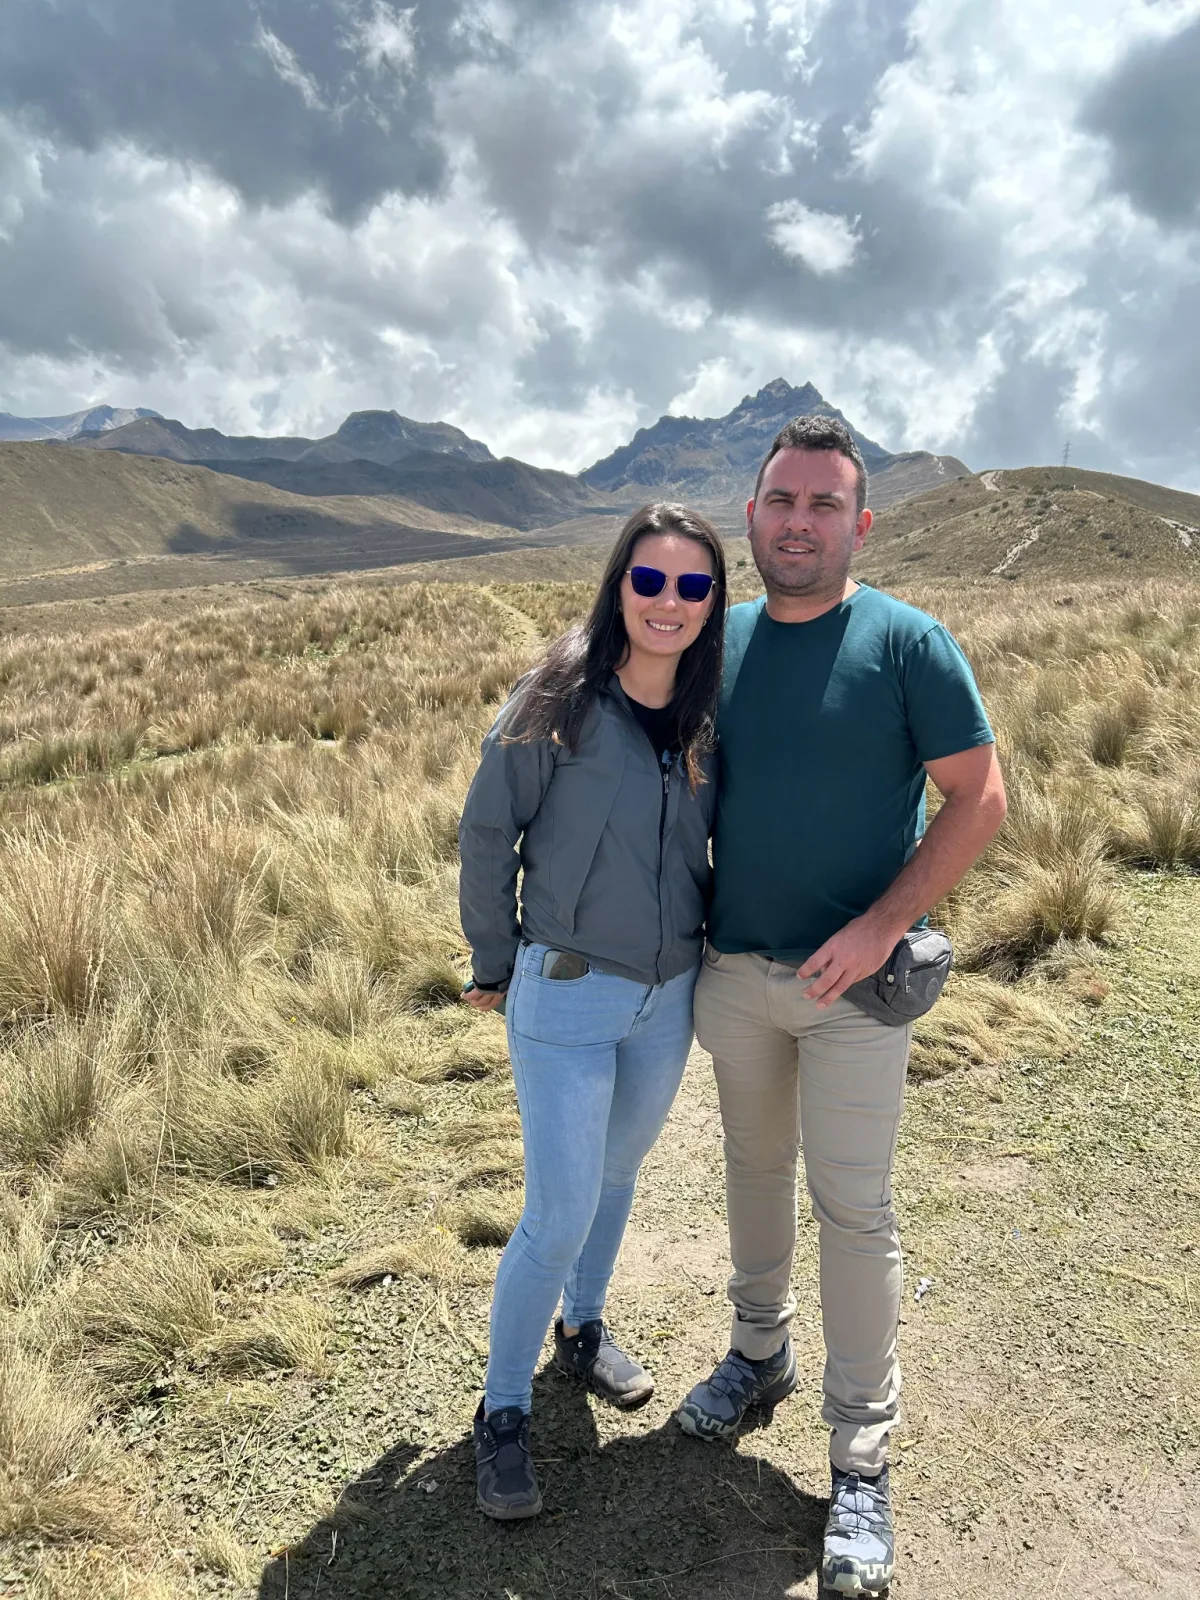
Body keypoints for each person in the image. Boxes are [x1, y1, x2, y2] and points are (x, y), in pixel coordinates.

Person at [675, 416, 1007, 1597]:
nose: (799, 522)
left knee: (853, 1211)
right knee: (752, 1176)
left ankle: (859, 1457)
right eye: (781, 501)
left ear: (860, 523)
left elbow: (980, 797)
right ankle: (756, 1355)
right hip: (736, 976)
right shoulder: (721, 643)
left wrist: (879, 925)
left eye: (824, 504)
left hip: (860, 990)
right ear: (752, 515)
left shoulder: (911, 645)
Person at [458, 502, 727, 1521]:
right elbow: (489, 829)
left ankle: (583, 1329)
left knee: (618, 1176)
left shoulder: (705, 709)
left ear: (713, 602)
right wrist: (494, 958)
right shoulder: (558, 695)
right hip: (567, 990)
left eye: (692, 586)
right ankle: (504, 1410)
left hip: (668, 996)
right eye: (649, 580)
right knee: (560, 1209)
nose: (668, 602)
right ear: (619, 583)